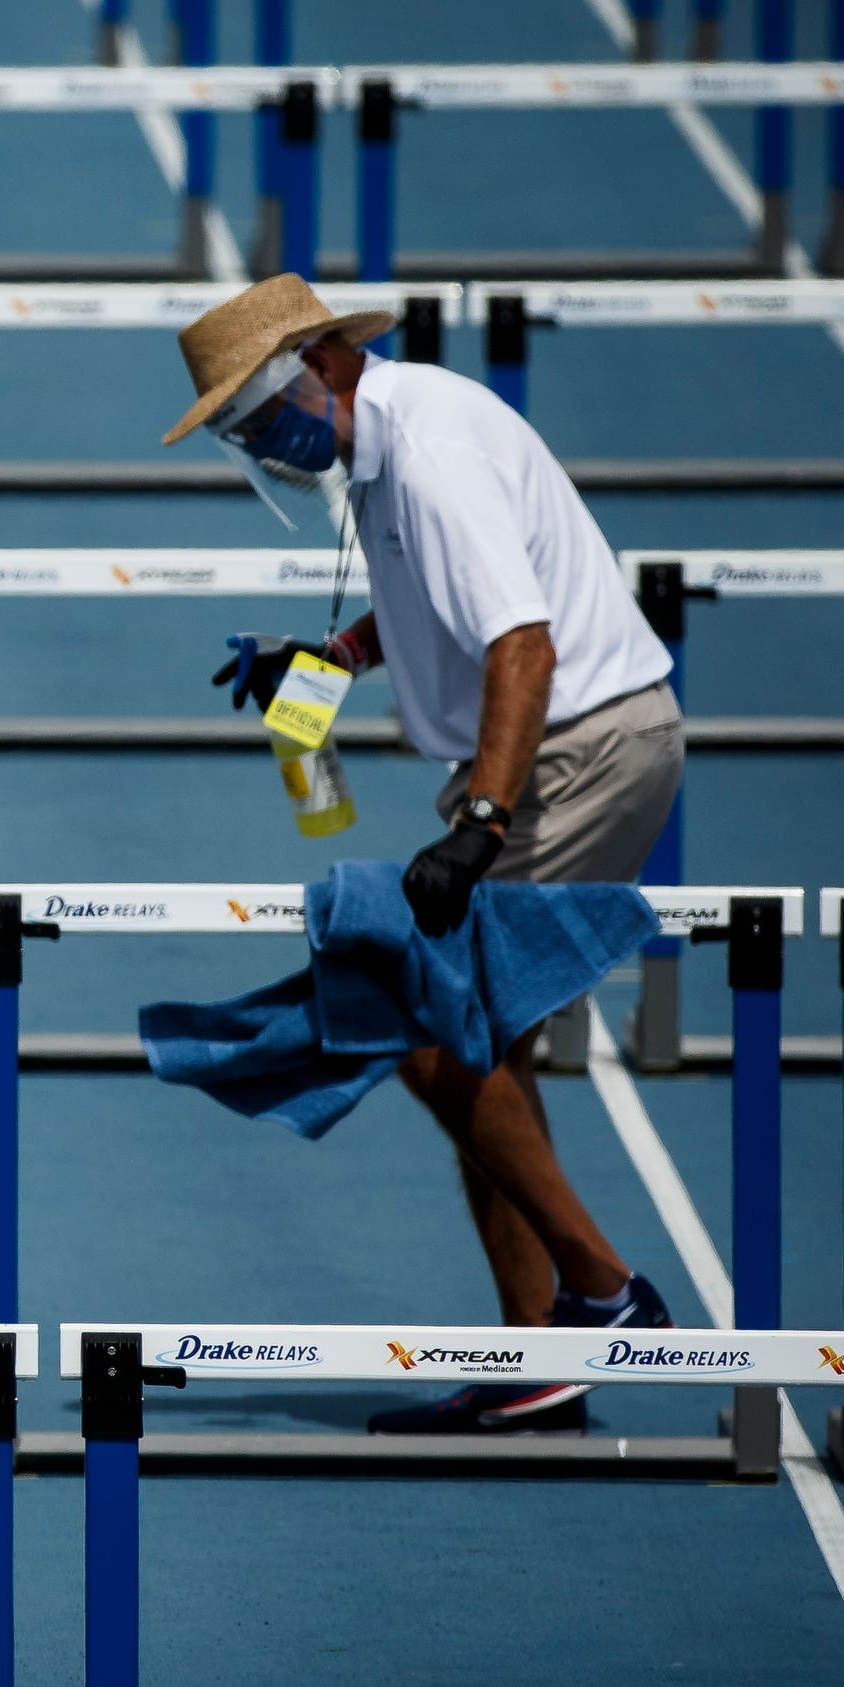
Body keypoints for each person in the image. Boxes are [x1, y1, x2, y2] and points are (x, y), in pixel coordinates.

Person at [169, 274, 685, 1434]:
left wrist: (480, 820)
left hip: (581, 752)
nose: (262, 443)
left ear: (318, 364)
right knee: (469, 1049)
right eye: (241, 434)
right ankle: (537, 1351)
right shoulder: (381, 453)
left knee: (429, 1027)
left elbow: (521, 643)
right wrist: (329, 659)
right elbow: (432, 603)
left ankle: (603, 1291)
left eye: (258, 416)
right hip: (556, 752)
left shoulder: (431, 451)